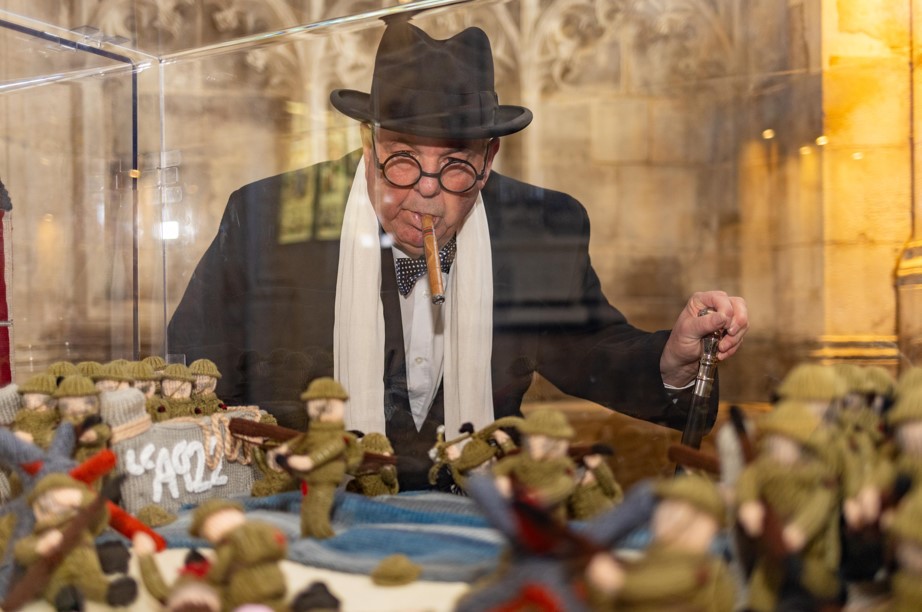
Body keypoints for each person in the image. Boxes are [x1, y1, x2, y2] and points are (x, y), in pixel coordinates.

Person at [168, 21, 748, 490]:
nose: (425, 191)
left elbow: (592, 350)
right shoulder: (267, 219)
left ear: (490, 158)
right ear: (367, 144)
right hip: (305, 511)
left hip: (478, 519)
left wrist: (671, 362)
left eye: (455, 166)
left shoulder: (539, 228)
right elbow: (195, 369)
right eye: (401, 159)